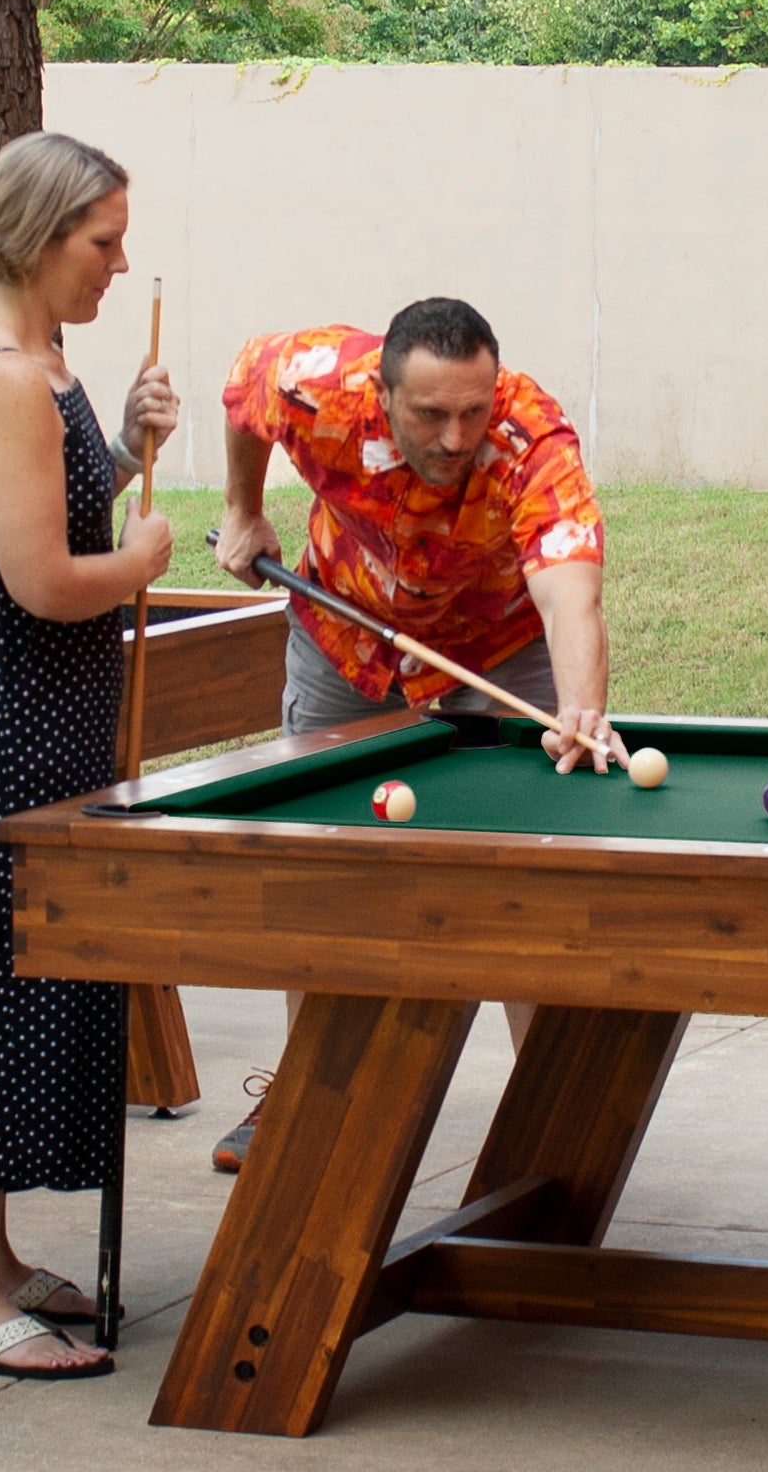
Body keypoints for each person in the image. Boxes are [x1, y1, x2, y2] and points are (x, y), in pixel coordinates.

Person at [0, 131, 179, 1378]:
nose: (120, 263)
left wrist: (117, 445)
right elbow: (50, 579)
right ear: (41, 236)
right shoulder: (4, 375)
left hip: (33, 716)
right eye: (102, 240)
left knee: (34, 987)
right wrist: (145, 561)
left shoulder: (44, 365)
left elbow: (56, 501)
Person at [208, 296, 617, 1171]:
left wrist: (581, 712)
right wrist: (243, 509)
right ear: (383, 394)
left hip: (500, 652)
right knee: (318, 862)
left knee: (527, 871)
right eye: (432, 413)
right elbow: (245, 388)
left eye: (473, 408)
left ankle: (549, 1115)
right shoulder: (319, 383)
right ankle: (305, 1091)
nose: (459, 434)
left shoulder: (532, 436)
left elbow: (569, 589)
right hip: (342, 637)